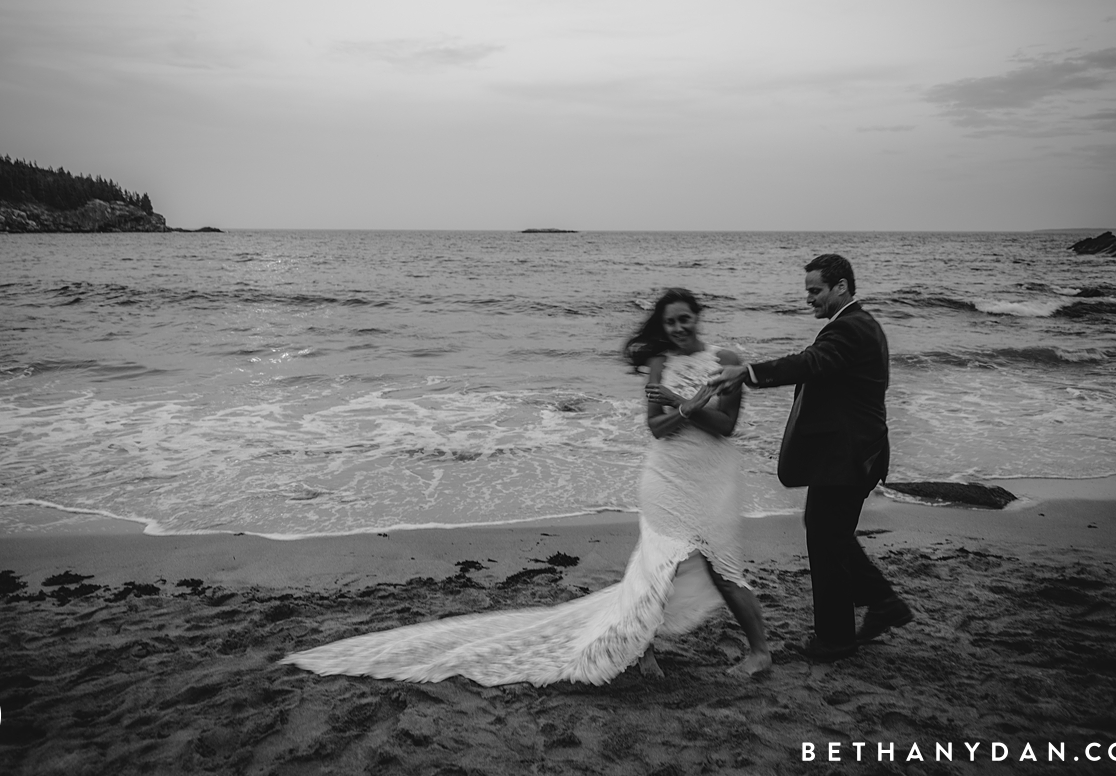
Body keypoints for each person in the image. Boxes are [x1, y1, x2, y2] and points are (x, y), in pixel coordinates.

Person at [282, 288, 771, 686]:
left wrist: (684, 401)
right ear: (662, 328)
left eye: (685, 319)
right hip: (665, 479)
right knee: (656, 566)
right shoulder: (660, 367)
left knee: (723, 567)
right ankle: (639, 650)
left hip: (710, 479)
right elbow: (657, 429)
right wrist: (681, 403)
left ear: (698, 317)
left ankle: (760, 651)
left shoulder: (726, 360)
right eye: (670, 322)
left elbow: (725, 427)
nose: (679, 328)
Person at [709, 254, 912, 662]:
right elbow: (819, 368)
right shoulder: (857, 325)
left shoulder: (851, 329)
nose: (809, 300)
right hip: (852, 453)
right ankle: (882, 603)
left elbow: (811, 363)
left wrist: (748, 372)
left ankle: (837, 638)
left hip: (851, 456)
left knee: (826, 536)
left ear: (841, 287)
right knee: (827, 533)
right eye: (807, 292)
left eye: (815, 291)